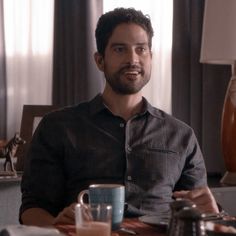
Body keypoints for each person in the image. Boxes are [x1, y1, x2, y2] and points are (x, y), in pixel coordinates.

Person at [20, 7, 219, 226]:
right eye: (119, 49)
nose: (133, 59)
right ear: (99, 60)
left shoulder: (182, 135)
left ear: (151, 57)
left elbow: (198, 213)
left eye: (141, 49)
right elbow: (32, 209)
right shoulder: (57, 127)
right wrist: (58, 225)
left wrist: (211, 214)